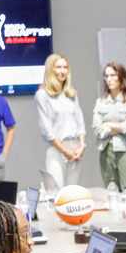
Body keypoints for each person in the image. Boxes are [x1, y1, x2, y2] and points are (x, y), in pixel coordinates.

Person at [35, 53, 87, 196]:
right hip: (57, 149)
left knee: (73, 194)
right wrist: (65, 151)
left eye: (65, 67)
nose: (63, 71)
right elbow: (47, 130)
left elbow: (80, 120)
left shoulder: (71, 93)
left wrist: (82, 145)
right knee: (57, 193)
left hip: (76, 149)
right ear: (51, 70)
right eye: (58, 67)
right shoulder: (42, 95)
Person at [92, 61, 126, 191]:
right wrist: (118, 127)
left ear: (121, 77)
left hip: (125, 150)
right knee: (111, 191)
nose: (109, 79)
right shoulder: (100, 102)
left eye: (113, 75)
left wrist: (108, 125)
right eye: (106, 76)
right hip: (105, 150)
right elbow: (97, 129)